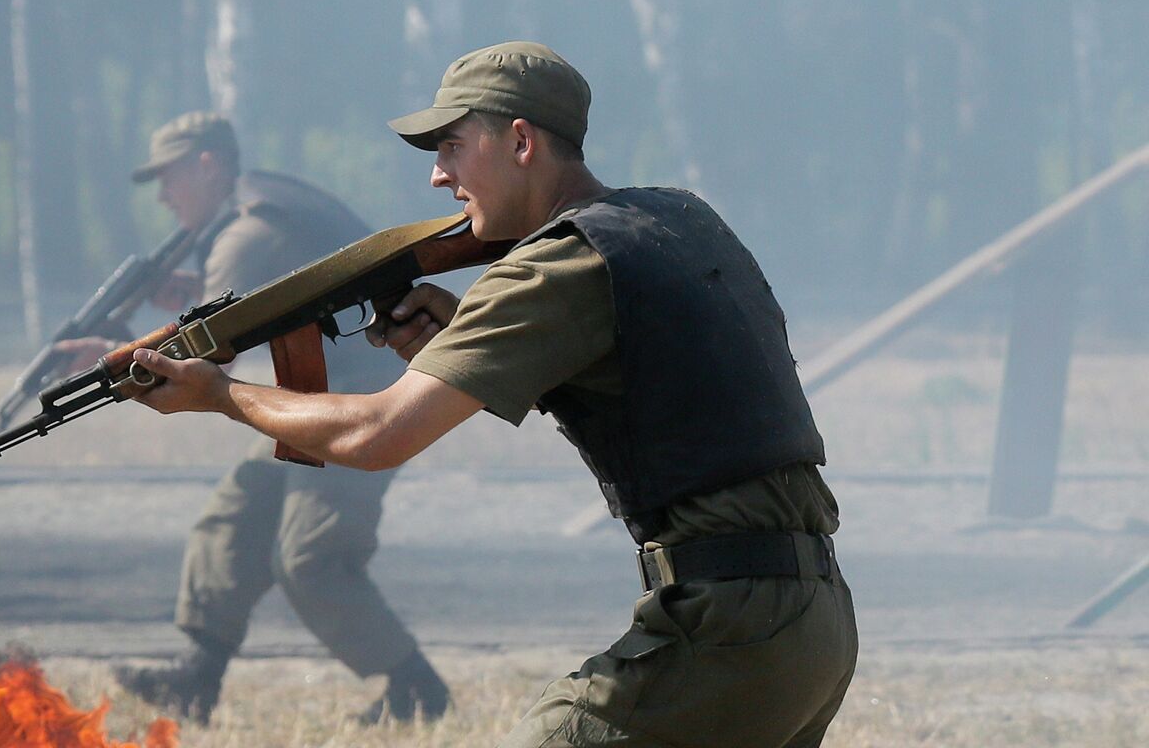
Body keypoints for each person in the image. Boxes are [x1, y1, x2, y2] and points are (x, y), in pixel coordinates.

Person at [126, 42, 859, 746]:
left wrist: (222, 393)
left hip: (729, 624)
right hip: (815, 617)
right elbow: (672, 385)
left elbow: (376, 434)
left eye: (451, 147)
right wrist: (491, 348)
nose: (440, 177)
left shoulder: (555, 266)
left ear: (519, 141)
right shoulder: (677, 217)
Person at [65, 111, 449, 725]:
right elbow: (254, 304)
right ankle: (198, 675)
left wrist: (112, 363)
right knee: (234, 517)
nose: (164, 196)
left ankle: (415, 689)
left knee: (311, 559)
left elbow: (205, 348)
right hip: (320, 392)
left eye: (170, 178)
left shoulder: (251, 231)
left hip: (363, 404)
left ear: (208, 166)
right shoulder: (259, 208)